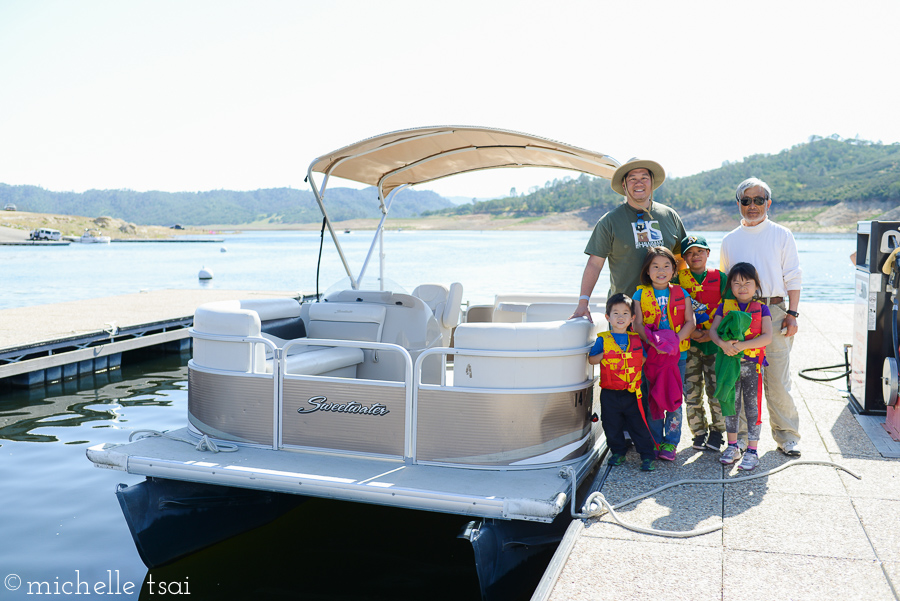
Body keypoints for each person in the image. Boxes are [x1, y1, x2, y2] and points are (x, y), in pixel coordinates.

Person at [719, 177, 803, 456]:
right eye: (746, 200)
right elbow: (726, 282)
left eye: (758, 200)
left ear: (768, 203)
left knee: (777, 378)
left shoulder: (782, 234)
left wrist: (792, 313)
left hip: (776, 311)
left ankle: (787, 435)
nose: (752, 205)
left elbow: (793, 276)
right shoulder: (729, 240)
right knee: (742, 380)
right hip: (740, 316)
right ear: (739, 204)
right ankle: (741, 438)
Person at [573, 158, 687, 322]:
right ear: (624, 185)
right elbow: (594, 264)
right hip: (625, 314)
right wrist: (583, 302)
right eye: (632, 178)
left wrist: (686, 298)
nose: (638, 183)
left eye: (644, 178)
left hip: (667, 313)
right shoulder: (609, 221)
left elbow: (681, 260)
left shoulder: (669, 216)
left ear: (652, 182)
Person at [631, 247, 695, 461]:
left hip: (677, 356)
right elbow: (638, 323)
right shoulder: (640, 294)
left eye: (666, 266)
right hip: (651, 356)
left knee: (674, 398)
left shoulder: (681, 293)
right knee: (654, 397)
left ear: (674, 270)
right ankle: (655, 440)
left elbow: (690, 322)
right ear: (647, 271)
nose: (661, 270)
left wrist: (674, 343)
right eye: (655, 266)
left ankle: (671, 442)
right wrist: (654, 343)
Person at [708, 263, 773, 471]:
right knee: (730, 405)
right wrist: (723, 345)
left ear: (757, 286)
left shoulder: (762, 308)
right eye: (736, 283)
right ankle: (733, 446)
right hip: (729, 365)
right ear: (731, 286)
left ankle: (752, 450)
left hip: (753, 366)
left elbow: (767, 337)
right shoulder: (724, 306)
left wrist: (742, 346)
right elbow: (713, 332)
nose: (742, 287)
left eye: (747, 283)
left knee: (753, 407)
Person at [588, 293, 656, 472]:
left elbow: (642, 359)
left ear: (632, 318)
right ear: (607, 317)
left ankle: (647, 456)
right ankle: (618, 452)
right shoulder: (603, 339)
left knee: (638, 424)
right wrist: (607, 355)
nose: (620, 317)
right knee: (611, 424)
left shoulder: (635, 339)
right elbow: (592, 360)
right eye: (615, 313)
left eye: (625, 313)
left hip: (632, 392)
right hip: (610, 393)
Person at [677, 235, 728, 452]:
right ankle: (699, 432)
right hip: (690, 344)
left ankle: (718, 431)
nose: (695, 256)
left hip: (715, 342)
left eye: (699, 251)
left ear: (708, 253)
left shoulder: (720, 277)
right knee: (691, 390)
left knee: (716, 390)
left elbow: (729, 306)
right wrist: (694, 332)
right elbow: (674, 309)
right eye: (690, 252)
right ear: (684, 258)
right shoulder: (679, 279)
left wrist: (710, 333)